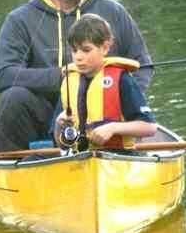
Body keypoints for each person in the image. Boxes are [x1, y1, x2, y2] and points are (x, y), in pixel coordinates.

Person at [0, 0, 153, 151]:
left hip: (103, 116)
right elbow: (3, 75)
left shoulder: (114, 11)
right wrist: (62, 74)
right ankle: (16, 169)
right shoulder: (19, 20)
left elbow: (143, 65)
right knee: (12, 98)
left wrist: (122, 100)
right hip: (44, 116)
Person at [51, 14, 157, 152]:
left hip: (119, 159)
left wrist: (113, 128)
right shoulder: (69, 83)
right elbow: (62, 144)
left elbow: (149, 127)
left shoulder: (121, 80)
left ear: (105, 48)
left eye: (86, 50)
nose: (78, 57)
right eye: (74, 50)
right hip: (80, 160)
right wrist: (59, 125)